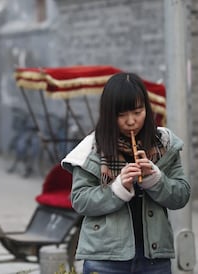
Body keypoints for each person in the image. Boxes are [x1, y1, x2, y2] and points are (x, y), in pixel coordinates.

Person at [61, 72, 190, 274]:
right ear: (108, 114)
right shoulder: (92, 148)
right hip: (105, 257)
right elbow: (79, 200)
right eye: (122, 115)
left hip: (155, 258)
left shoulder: (164, 144)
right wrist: (118, 188)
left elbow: (181, 195)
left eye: (138, 112)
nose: (131, 121)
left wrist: (155, 179)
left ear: (147, 108)